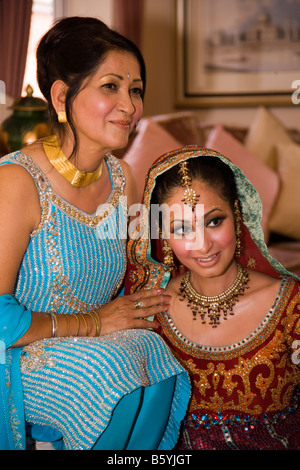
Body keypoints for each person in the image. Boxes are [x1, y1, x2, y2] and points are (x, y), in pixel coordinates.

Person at [0, 17, 191, 450]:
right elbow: (0, 318)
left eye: (136, 90)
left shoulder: (122, 179)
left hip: (101, 345)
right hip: (17, 356)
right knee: (115, 366)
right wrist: (94, 322)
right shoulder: (16, 182)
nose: (130, 105)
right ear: (63, 95)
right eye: (111, 86)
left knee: (156, 355)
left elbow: (148, 267)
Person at [127, 145, 300, 450]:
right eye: (181, 228)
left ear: (236, 213)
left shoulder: (290, 305)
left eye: (213, 221)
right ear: (164, 237)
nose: (203, 244)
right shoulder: (148, 311)